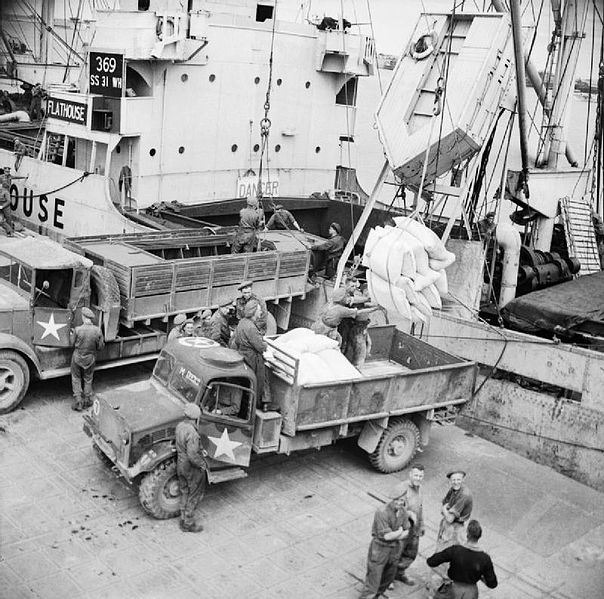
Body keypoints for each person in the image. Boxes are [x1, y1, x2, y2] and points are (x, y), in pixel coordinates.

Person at [359, 482, 413, 599]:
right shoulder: (382, 512)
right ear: (392, 499)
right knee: (373, 581)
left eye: (401, 500)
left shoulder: (403, 511)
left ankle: (376, 597)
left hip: (394, 550)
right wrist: (399, 532)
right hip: (380, 549)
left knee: (388, 578)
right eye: (396, 500)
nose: (399, 503)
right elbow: (387, 536)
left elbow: (407, 530)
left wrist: (397, 534)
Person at [427, 520, 498, 599]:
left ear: (468, 534)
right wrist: (481, 577)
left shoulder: (455, 550)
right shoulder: (485, 558)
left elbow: (431, 562)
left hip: (453, 589)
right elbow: (492, 584)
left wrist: (444, 573)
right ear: (479, 536)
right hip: (471, 592)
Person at [230, 300, 271, 409]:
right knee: (259, 380)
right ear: (253, 312)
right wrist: (265, 345)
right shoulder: (251, 327)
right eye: (258, 310)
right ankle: (257, 405)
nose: (261, 312)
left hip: (243, 354)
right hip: (252, 358)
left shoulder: (242, 322)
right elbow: (260, 347)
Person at [175, 403, 207, 532]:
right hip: (190, 467)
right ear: (196, 417)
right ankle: (188, 523)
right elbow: (192, 455)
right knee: (194, 494)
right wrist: (202, 464)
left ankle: (183, 519)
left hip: (180, 463)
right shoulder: (193, 432)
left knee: (184, 491)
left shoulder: (180, 426)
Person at [394, 464, 426, 586]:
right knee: (395, 554)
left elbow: (420, 507)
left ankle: (399, 573)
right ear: (410, 474)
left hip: (414, 529)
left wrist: (421, 524)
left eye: (420, 476)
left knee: (411, 553)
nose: (418, 478)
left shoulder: (420, 488)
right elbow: (393, 508)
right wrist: (407, 513)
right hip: (401, 528)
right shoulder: (401, 488)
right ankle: (388, 577)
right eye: (416, 475)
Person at [70, 307, 105, 411]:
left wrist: (72, 334)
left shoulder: (77, 329)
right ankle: (87, 400)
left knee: (76, 378)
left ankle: (78, 401)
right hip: (90, 359)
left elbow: (71, 343)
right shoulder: (97, 330)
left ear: (83, 317)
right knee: (88, 379)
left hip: (77, 358)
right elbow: (100, 347)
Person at [436, 469, 473, 550]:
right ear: (450, 480)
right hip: (450, 523)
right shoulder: (454, 489)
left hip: (456, 526)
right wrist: (446, 510)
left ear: (463, 479)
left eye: (458, 479)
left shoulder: (464, 495)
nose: (456, 482)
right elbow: (445, 501)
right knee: (441, 544)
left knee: (445, 550)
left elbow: (449, 518)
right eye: (453, 480)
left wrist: (444, 509)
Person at [0, 166, 26, 236]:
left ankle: (9, 230)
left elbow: (16, 177)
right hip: (2, 195)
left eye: (8, 172)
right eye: (6, 171)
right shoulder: (1, 177)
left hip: (6, 195)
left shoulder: (10, 177)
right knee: (2, 218)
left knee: (8, 216)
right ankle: (9, 230)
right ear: (4, 171)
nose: (7, 173)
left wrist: (24, 177)